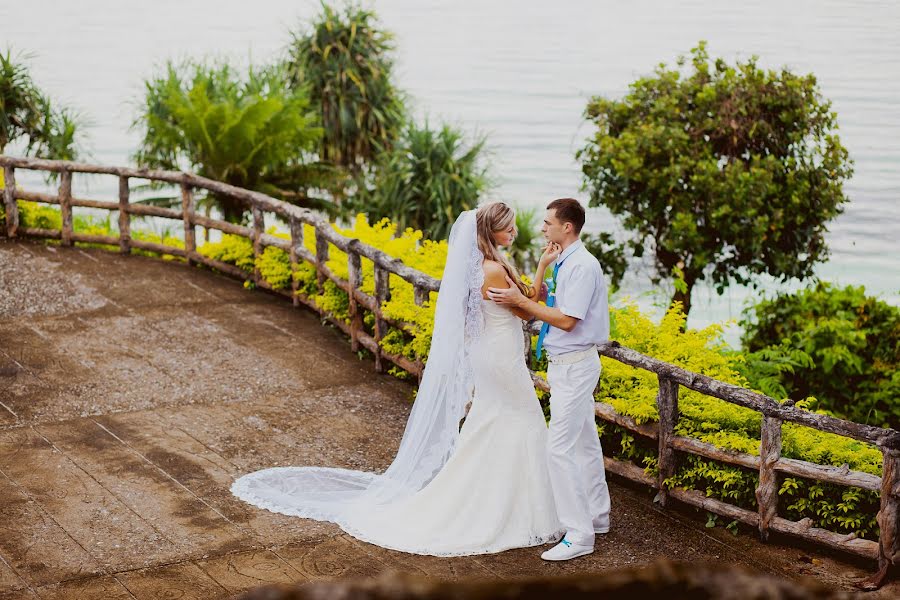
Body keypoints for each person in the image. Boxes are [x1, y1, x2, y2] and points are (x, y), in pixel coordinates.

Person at [231, 202, 564, 556]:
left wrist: (536, 282)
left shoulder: (488, 265)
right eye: (508, 229)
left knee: (494, 420)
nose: (514, 233)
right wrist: (542, 267)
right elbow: (525, 307)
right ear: (489, 231)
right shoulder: (492, 270)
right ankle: (521, 508)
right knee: (524, 418)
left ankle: (501, 496)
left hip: (495, 353)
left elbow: (526, 297)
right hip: (499, 357)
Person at [487, 198, 611, 561]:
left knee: (557, 448)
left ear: (566, 227)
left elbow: (568, 320)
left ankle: (579, 534)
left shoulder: (582, 267)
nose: (542, 229)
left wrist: (520, 303)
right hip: (568, 363)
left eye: (547, 223)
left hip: (574, 365)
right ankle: (597, 516)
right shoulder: (567, 262)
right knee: (585, 442)